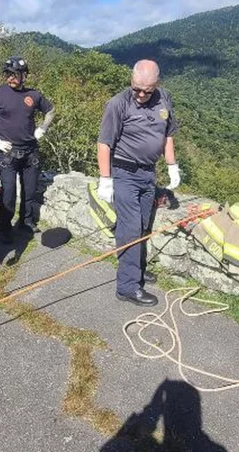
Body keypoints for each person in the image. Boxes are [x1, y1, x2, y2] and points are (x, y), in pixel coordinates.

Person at [97, 60, 181, 307]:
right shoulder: (118, 104)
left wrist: (171, 165)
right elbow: (104, 143)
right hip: (123, 173)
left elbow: (168, 133)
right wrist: (105, 179)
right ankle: (127, 287)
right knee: (131, 229)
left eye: (148, 90)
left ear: (157, 85)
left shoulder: (164, 98)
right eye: (137, 89)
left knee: (143, 225)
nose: (142, 95)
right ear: (131, 81)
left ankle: (136, 271)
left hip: (148, 173)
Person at [0, 56, 55, 243]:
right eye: (8, 74)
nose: (11, 77)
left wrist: (43, 127)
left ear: (24, 75)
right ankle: (4, 228)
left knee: (30, 190)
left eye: (15, 74)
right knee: (8, 194)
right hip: (8, 152)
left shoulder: (34, 95)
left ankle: (26, 222)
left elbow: (50, 110)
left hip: (30, 151)